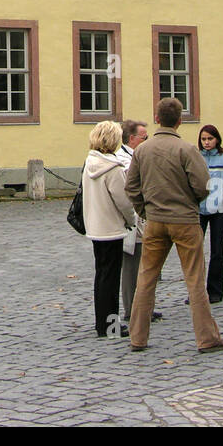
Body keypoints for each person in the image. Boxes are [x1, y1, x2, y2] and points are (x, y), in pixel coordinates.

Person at [125, 98, 223, 353]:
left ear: (156, 118)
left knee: (146, 278)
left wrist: (145, 209)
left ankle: (137, 337)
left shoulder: (142, 150)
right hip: (185, 220)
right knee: (195, 279)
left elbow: (131, 187)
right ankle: (206, 338)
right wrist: (191, 203)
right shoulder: (187, 150)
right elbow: (204, 185)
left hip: (154, 221)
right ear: (179, 121)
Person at [80, 120, 135, 337]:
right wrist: (131, 220)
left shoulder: (90, 162)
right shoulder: (113, 168)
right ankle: (110, 325)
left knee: (101, 276)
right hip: (112, 228)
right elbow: (124, 202)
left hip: (95, 227)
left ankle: (101, 322)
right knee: (111, 280)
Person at [115, 119, 160, 325]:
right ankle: (132, 309)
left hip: (146, 217)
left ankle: (144, 306)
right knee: (132, 267)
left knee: (146, 265)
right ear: (132, 139)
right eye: (144, 137)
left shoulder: (137, 156)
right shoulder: (124, 160)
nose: (147, 141)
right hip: (134, 220)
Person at [197, 124, 223, 304]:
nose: (206, 142)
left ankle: (215, 291)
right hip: (198, 209)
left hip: (220, 210)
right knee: (195, 251)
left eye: (210, 139)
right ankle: (196, 291)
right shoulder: (196, 158)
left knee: (217, 250)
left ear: (217, 139)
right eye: (204, 139)